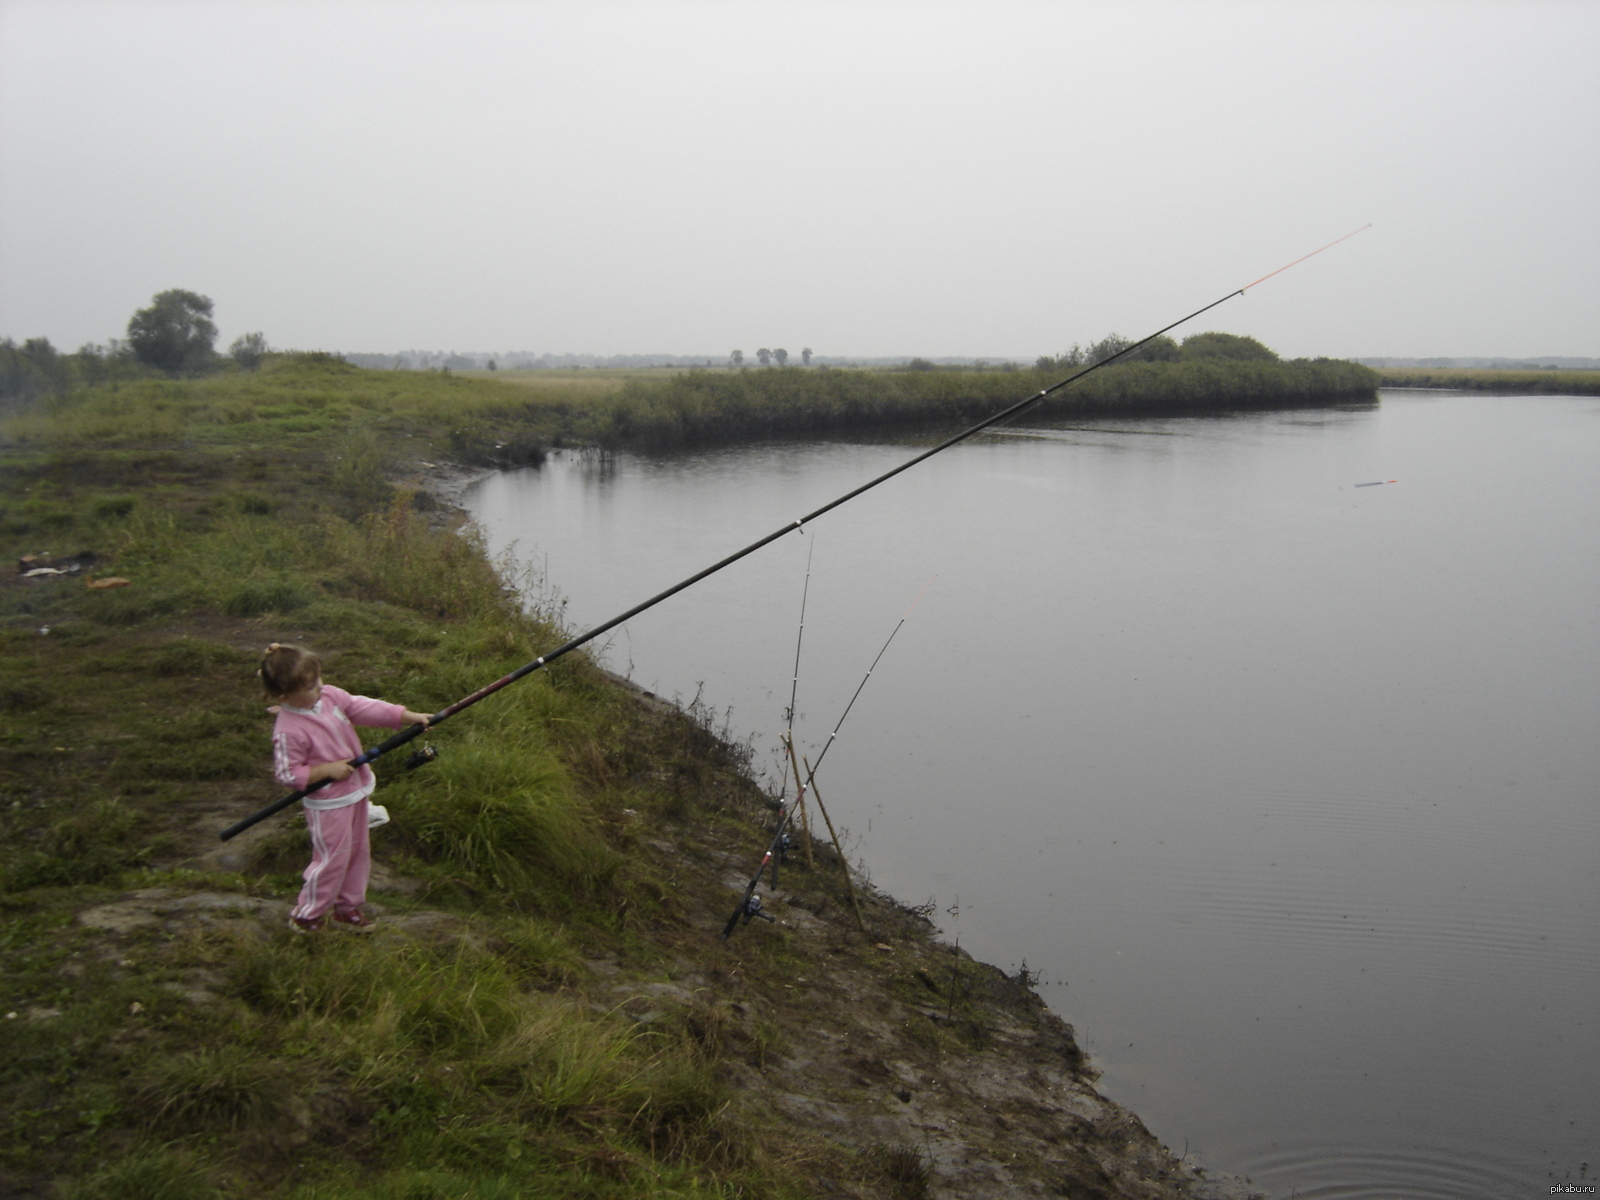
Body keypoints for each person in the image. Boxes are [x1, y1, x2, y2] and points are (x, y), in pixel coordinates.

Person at [259, 643, 432, 933]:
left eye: (319, 681)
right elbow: (287, 773)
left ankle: (347, 907)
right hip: (328, 804)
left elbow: (363, 707)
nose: (320, 688)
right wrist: (326, 770)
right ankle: (307, 914)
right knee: (331, 858)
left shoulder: (329, 697)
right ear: (284, 696)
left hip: (355, 793)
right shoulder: (288, 729)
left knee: (357, 852)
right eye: (312, 687)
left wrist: (405, 716)